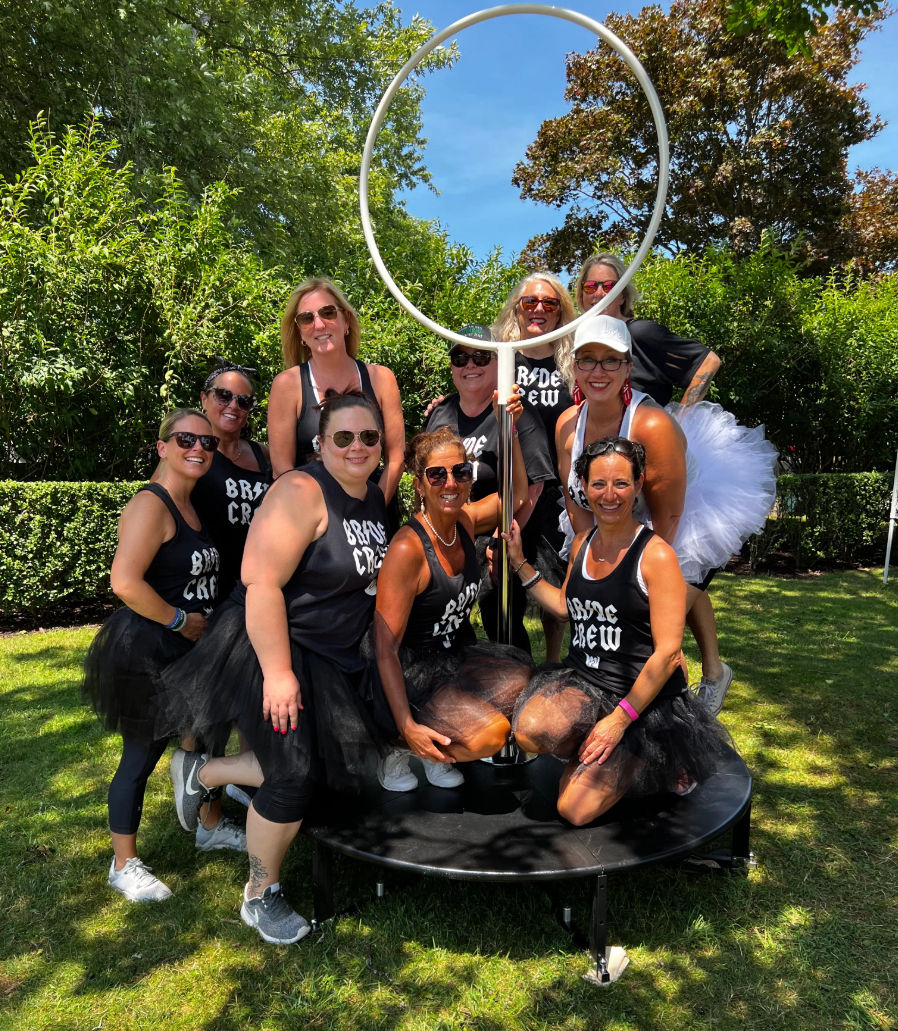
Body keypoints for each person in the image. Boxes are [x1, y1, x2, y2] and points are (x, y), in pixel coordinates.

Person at [164, 390, 389, 944]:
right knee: (292, 775)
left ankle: (205, 774)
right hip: (269, 647)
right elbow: (261, 582)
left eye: (368, 437)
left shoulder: (373, 498)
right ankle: (260, 894)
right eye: (343, 437)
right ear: (321, 442)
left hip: (330, 656)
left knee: (321, 767)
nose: (356, 447)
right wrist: (279, 675)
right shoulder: (301, 491)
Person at [555, 314, 777, 713]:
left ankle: (677, 715)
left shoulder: (652, 426)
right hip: (609, 521)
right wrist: (591, 568)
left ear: (628, 367)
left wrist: (635, 578)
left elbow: (668, 520)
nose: (598, 371)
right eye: (587, 360)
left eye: (611, 361)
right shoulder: (566, 425)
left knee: (654, 628)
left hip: (673, 523)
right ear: (574, 366)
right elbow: (577, 503)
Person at [503, 437, 731, 826]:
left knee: (572, 810)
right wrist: (520, 563)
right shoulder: (581, 543)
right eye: (598, 484)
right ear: (584, 488)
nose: (609, 495)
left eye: (621, 484)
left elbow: (667, 654)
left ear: (638, 485)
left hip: (640, 702)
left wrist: (619, 721)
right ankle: (599, 753)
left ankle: (651, 757)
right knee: (530, 731)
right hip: (588, 682)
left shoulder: (656, 556)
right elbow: (564, 606)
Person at [82, 409, 235, 904]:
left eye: (207, 442)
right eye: (186, 439)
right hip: (151, 649)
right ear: (162, 445)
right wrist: (177, 620)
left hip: (191, 649)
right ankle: (123, 863)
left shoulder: (190, 502)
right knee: (140, 757)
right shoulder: (152, 504)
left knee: (207, 739)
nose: (199, 448)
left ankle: (209, 826)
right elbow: (124, 581)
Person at [374, 425, 534, 792]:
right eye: (437, 474)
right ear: (418, 484)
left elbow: (518, 496)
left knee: (523, 680)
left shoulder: (463, 520)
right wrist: (403, 724)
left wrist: (509, 431)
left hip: (452, 657)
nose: (450, 483)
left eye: (461, 472)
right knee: (491, 737)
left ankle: (432, 749)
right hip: (410, 672)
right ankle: (396, 745)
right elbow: (385, 650)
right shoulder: (407, 550)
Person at [425, 326, 554, 653]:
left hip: (496, 533)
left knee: (503, 627)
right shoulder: (440, 413)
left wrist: (502, 543)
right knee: (445, 622)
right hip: (446, 537)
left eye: (481, 356)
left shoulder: (516, 411)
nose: (470, 365)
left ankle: (516, 687)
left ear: (500, 362)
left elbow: (533, 488)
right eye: (460, 357)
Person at [491, 273, 578, 661]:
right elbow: (475, 391)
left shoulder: (573, 360)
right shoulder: (502, 356)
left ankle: (553, 662)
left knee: (554, 580)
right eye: (529, 302)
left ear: (562, 311)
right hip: (511, 483)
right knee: (505, 578)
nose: (539, 309)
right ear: (517, 309)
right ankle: (507, 659)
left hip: (559, 487)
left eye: (549, 302)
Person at [267, 277, 404, 505]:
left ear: (346, 320)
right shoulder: (286, 385)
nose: (319, 324)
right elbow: (283, 470)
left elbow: (396, 459)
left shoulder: (381, 379)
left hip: (375, 515)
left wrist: (372, 510)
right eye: (306, 318)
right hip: (313, 520)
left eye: (328, 312)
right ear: (299, 332)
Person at [575, 252, 721, 407]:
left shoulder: (640, 333)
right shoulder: (579, 341)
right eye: (590, 287)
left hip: (647, 429)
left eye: (609, 286)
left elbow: (709, 360)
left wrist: (682, 418)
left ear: (623, 296)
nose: (599, 294)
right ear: (582, 293)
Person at [191, 362, 272, 601]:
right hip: (208, 591)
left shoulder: (265, 455)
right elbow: (156, 501)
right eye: (223, 396)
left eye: (243, 401)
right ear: (204, 399)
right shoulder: (190, 453)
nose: (233, 406)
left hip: (257, 586)